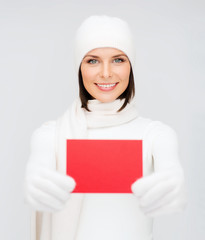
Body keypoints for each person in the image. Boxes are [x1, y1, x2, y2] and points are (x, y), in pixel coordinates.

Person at [24, 15, 187, 240]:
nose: (106, 73)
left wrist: (172, 180)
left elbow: (170, 167)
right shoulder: (50, 136)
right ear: (78, 67)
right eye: (93, 60)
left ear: (132, 65)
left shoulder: (156, 135)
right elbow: (39, 166)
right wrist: (36, 180)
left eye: (118, 59)